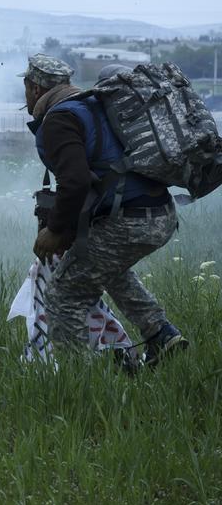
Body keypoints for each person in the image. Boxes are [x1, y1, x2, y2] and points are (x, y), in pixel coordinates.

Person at [23, 53, 188, 366]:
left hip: (130, 220)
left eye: (26, 86)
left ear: (33, 88)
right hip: (160, 213)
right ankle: (162, 335)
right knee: (106, 266)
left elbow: (76, 182)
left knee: (63, 293)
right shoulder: (92, 105)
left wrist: (55, 230)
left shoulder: (58, 120)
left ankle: (79, 380)